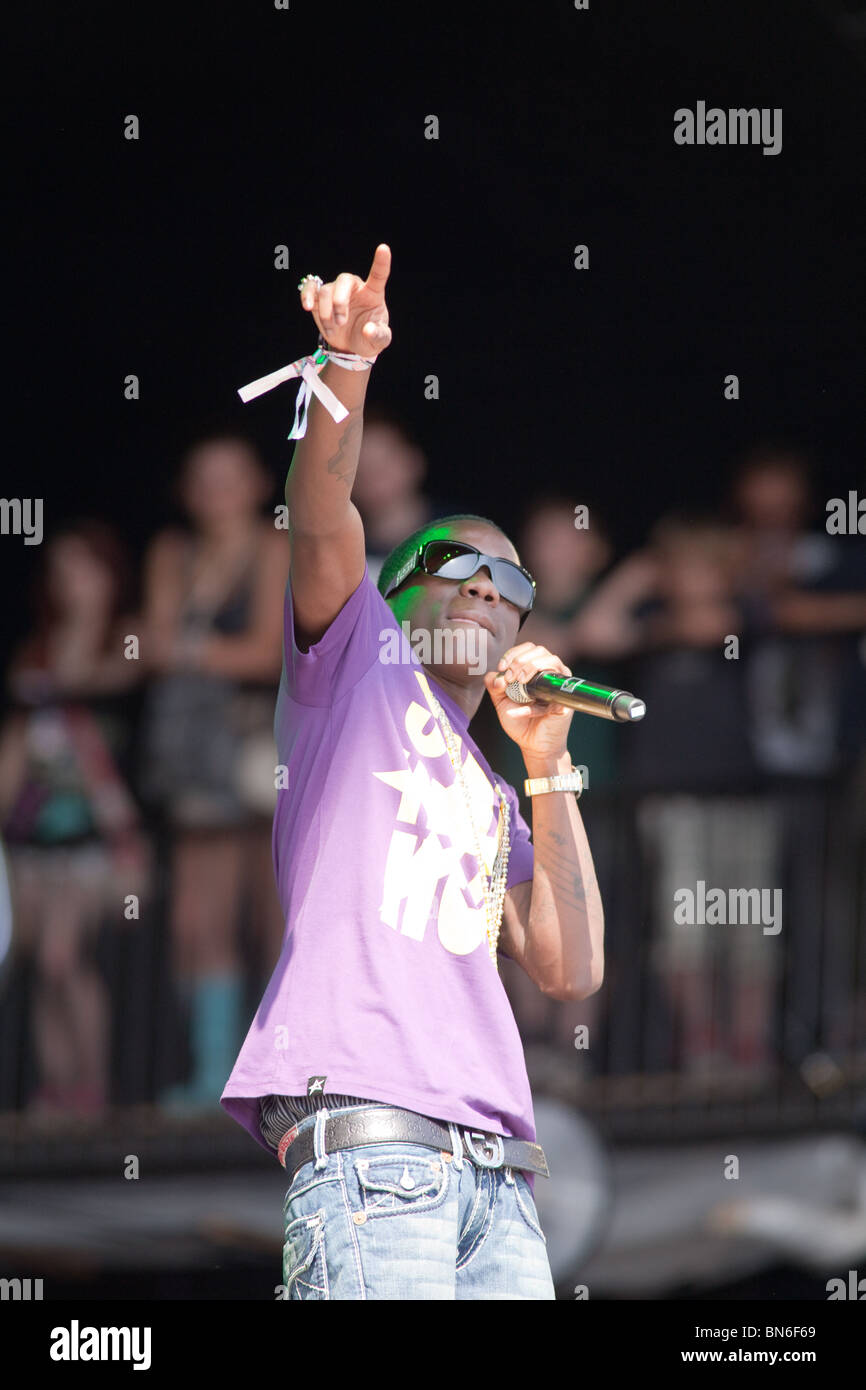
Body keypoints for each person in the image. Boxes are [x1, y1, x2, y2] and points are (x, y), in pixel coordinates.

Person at [221, 244, 605, 1300]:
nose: (488, 588)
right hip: (372, 1157)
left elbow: (569, 968)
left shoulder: (493, 789)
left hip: (503, 1184)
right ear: (397, 591)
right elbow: (321, 513)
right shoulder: (357, 664)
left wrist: (546, 766)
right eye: (459, 565)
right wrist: (344, 363)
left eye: (509, 578)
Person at [139, 434, 289, 1108]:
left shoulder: (276, 547)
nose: (215, 492)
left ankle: (286, 1064)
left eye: (228, 477)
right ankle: (214, 1074)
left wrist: (191, 648)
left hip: (261, 751)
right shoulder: (173, 553)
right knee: (199, 918)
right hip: (191, 751)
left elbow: (265, 653)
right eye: (202, 478)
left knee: (273, 911)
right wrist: (199, 645)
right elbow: (153, 644)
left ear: (258, 483)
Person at [0, 520, 150, 1115]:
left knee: (67, 956)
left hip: (102, 832)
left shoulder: (129, 639)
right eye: (60, 571)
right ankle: (55, 1095)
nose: (71, 582)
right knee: (41, 965)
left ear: (110, 574)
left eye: (83, 568)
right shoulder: (33, 648)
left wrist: (83, 626)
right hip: (35, 833)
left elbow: (89, 679)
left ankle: (92, 1092)